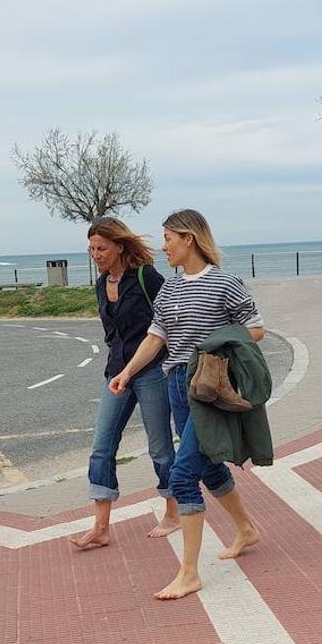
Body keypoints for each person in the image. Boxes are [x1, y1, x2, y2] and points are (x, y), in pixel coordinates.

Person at [109, 209, 264, 600]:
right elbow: (156, 335)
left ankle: (189, 572)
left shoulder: (225, 283)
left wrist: (215, 346)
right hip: (176, 384)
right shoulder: (170, 289)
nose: (163, 247)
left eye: (168, 239)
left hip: (209, 386)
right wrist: (126, 373)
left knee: (181, 475)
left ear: (188, 239)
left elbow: (256, 329)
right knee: (208, 467)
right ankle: (246, 529)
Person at [70, 217, 180, 550]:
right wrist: (121, 368)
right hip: (117, 374)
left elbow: (165, 325)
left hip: (151, 372)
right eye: (91, 248)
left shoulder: (147, 277)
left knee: (160, 447)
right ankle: (101, 527)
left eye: (101, 248)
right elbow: (111, 334)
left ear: (119, 245)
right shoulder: (102, 284)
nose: (95, 254)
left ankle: (173, 511)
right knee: (101, 446)